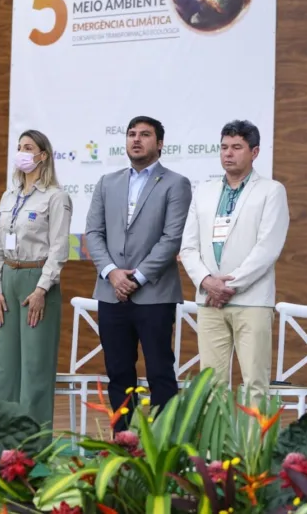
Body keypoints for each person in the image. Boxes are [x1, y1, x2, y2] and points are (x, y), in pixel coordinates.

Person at [85, 115, 191, 431]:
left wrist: (135, 277)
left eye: (145, 135)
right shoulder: (107, 182)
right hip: (110, 292)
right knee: (118, 372)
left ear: (159, 144)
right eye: (132, 134)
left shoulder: (176, 183)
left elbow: (172, 238)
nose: (136, 139)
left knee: (160, 371)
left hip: (154, 293)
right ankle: (123, 443)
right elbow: (93, 232)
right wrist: (112, 273)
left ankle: (164, 445)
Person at [180, 120, 289, 405]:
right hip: (209, 301)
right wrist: (207, 282)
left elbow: (268, 248)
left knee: (255, 382)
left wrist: (227, 286)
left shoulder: (271, 190)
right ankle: (218, 450)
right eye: (224, 147)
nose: (228, 153)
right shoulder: (203, 191)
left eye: (237, 147)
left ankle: (253, 450)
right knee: (212, 386)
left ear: (254, 152)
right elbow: (188, 247)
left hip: (251, 300)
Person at [0, 130, 72, 433]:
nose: (22, 152)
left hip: (38, 281)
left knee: (35, 366)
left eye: (28, 147)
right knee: (7, 367)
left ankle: (33, 446)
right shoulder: (8, 195)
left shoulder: (55, 196)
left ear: (43, 156)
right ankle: (4, 440)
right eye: (19, 147)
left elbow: (59, 249)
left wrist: (41, 289)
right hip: (8, 280)